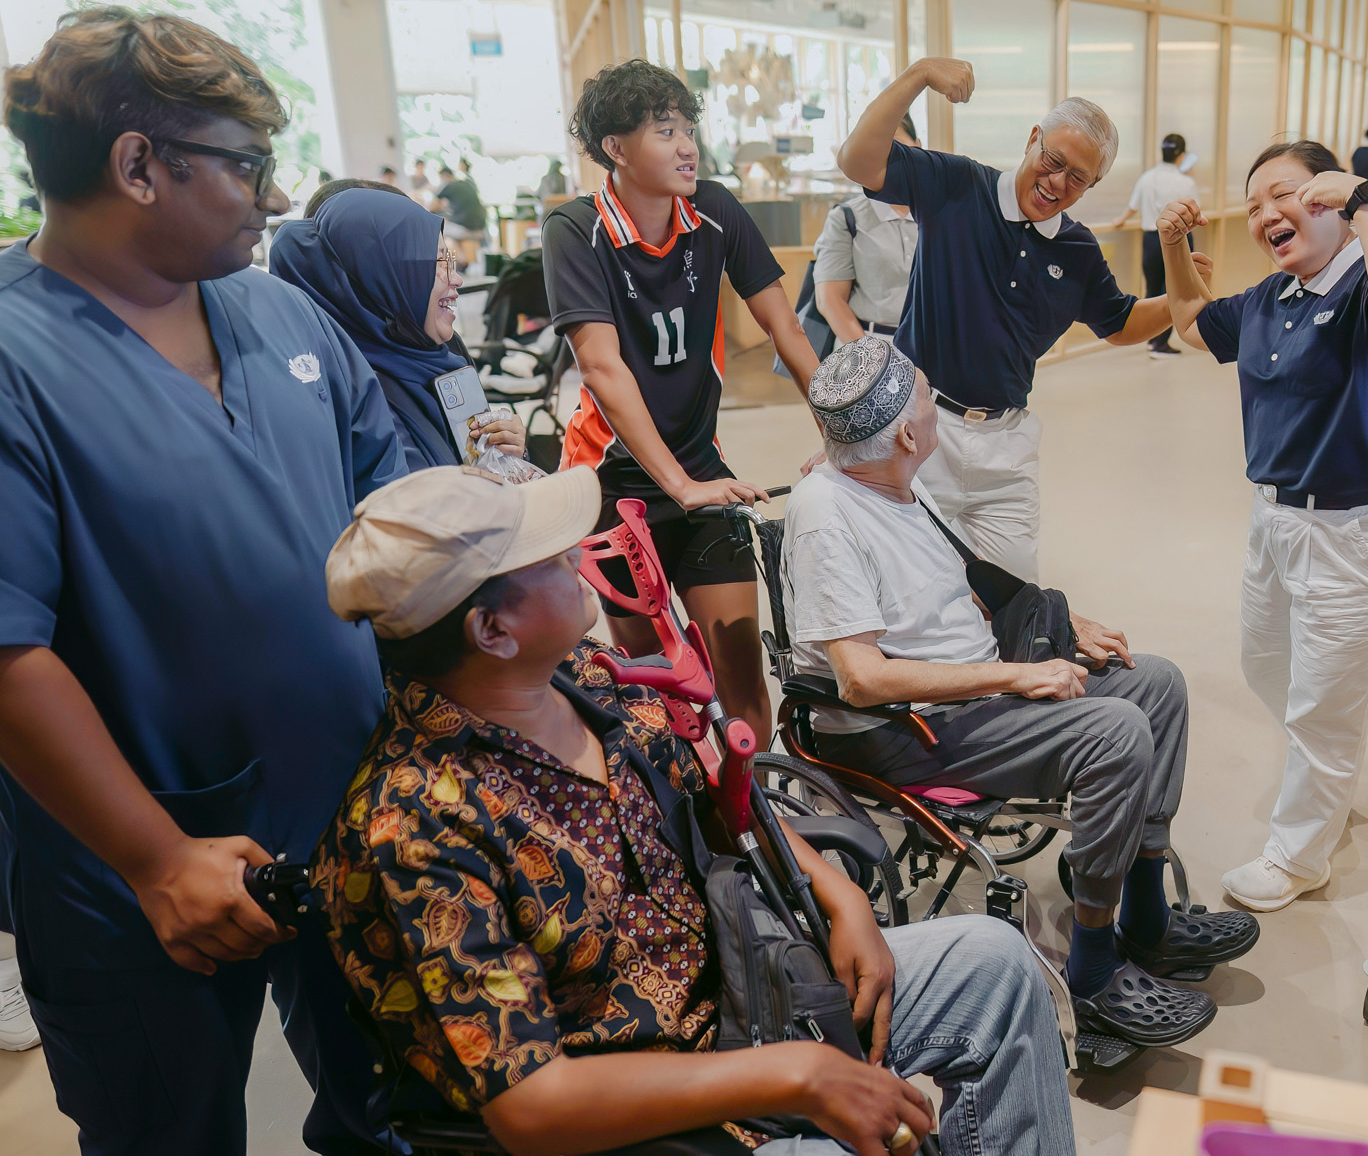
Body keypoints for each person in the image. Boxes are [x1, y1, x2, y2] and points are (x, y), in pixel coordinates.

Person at [317, 463, 1075, 1156]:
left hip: (738, 997)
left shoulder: (582, 678)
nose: (579, 557)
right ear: (492, 631)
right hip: (639, 1115)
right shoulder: (412, 826)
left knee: (995, 965)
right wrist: (792, 1075)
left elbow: (718, 804)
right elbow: (532, 1104)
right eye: (548, 560)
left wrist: (836, 893)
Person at [0, 7, 406, 1153]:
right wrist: (154, 858)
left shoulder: (282, 316)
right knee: (162, 1131)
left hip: (351, 813)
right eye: (246, 165)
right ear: (137, 165)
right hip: (131, 866)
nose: (274, 197)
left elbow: (393, 512)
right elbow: (7, 648)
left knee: (402, 1111)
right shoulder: (16, 358)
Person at [784, 336, 1257, 1051]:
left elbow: (975, 583)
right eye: (925, 396)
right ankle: (1094, 975)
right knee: (1118, 731)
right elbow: (861, 677)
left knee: (1155, 682)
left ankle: (1149, 918)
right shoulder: (829, 514)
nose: (937, 404)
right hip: (904, 729)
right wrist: (1015, 674)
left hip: (962, 700)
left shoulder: (899, 480)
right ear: (909, 433)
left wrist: (1068, 628)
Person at [1154, 141, 1368, 912]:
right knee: (1268, 666)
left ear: (1332, 202)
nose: (1264, 215)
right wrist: (1173, 246)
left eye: (1284, 194)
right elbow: (1185, 322)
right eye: (1252, 205)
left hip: (1359, 530)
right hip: (1275, 520)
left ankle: (1299, 853)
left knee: (1322, 707)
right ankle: (1330, 763)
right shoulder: (1272, 297)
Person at [544, 59, 822, 749]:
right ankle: (682, 831)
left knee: (741, 674)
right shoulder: (575, 230)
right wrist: (678, 486)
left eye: (688, 127)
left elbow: (786, 328)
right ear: (615, 147)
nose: (687, 145)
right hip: (611, 490)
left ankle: (757, 833)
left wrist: (846, 439)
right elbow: (602, 368)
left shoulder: (715, 211)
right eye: (665, 130)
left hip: (701, 470)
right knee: (651, 685)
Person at [836, 58, 1193, 582]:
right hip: (920, 428)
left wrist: (1182, 292)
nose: (1057, 183)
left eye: (1078, 178)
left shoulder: (1077, 249)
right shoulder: (958, 185)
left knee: (1012, 594)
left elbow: (1120, 323)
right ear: (1032, 139)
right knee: (906, 585)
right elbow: (858, 161)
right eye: (1053, 160)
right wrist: (917, 76)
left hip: (1006, 446)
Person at [271, 183, 528, 470]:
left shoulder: (437, 353)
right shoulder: (348, 394)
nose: (456, 279)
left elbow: (480, 463)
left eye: (448, 260)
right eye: (436, 261)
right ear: (379, 276)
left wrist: (506, 452)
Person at [814, 112, 921, 344]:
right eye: (876, 147)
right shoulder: (847, 218)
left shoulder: (938, 214)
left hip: (934, 351)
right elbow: (829, 300)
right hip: (868, 346)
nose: (888, 154)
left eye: (897, 144)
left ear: (918, 146)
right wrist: (874, 360)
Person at [1110, 132, 1202, 358]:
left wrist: (1120, 220)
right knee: (1175, 290)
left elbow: (1132, 206)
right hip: (1177, 240)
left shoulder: (1147, 177)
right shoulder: (1186, 182)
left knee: (1152, 289)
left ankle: (1151, 339)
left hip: (1150, 239)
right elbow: (1195, 212)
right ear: (1181, 155)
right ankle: (1161, 343)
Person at [432, 157, 485, 251]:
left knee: (436, 229)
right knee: (452, 227)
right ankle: (464, 257)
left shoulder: (448, 186)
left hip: (465, 229)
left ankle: (460, 259)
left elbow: (432, 207)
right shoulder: (466, 184)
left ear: (445, 176)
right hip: (480, 229)